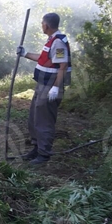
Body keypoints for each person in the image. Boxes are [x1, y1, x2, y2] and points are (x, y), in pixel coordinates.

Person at [16, 12, 71, 165]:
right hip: (42, 85)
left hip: (50, 86)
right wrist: (25, 54)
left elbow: (63, 66)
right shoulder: (51, 40)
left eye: (42, 23)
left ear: (46, 25)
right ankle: (36, 148)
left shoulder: (58, 42)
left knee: (44, 120)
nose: (41, 25)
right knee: (34, 116)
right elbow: (43, 59)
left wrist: (55, 88)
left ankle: (44, 154)